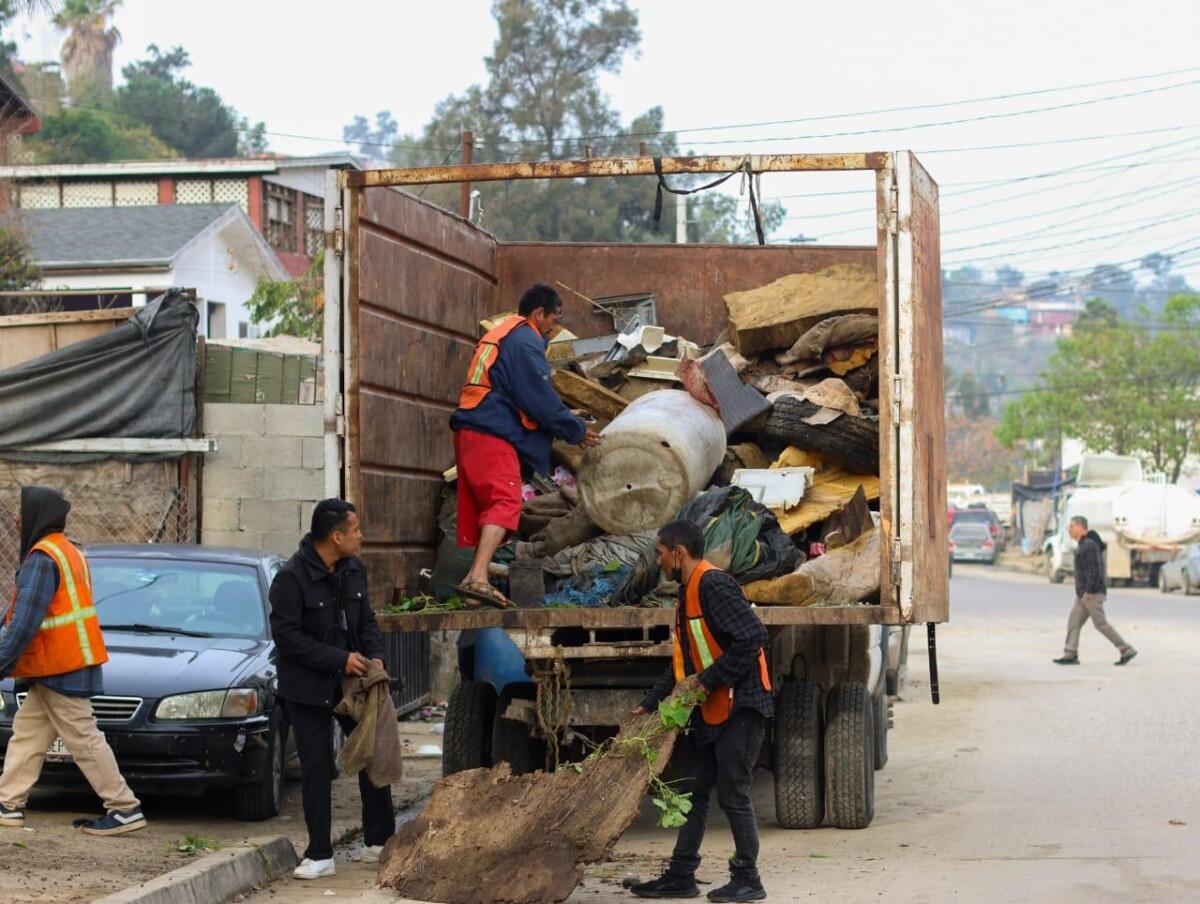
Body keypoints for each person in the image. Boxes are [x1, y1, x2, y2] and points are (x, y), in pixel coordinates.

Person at [629, 520, 773, 903]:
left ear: (678, 552)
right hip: (712, 707)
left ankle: (748, 879)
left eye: (660, 553)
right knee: (692, 792)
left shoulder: (713, 585)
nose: (659, 561)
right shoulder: (686, 593)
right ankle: (680, 876)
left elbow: (753, 637)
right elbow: (684, 661)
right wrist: (649, 703)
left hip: (740, 704)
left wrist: (709, 682)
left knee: (734, 793)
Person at [0, 486, 145, 835]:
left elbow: (23, 622)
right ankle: (9, 804)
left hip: (58, 666)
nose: (17, 519)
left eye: (21, 512)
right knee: (28, 733)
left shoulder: (41, 558)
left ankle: (124, 807)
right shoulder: (69, 552)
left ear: (38, 515)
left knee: (83, 738)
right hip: (61, 664)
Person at [449, 283, 601, 608]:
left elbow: (519, 395)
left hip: (474, 428)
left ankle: (473, 585)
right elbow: (538, 398)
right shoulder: (526, 339)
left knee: (490, 506)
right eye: (553, 320)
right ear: (538, 314)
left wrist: (564, 414)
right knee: (505, 500)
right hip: (490, 431)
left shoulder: (507, 334)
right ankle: (478, 577)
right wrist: (574, 429)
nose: (554, 328)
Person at [269, 499, 394, 880]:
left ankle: (381, 842)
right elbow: (288, 638)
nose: (361, 536)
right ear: (336, 536)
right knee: (317, 768)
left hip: (354, 686)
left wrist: (374, 657)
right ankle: (320, 853)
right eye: (355, 530)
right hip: (307, 688)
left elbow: (366, 620)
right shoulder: (291, 579)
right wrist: (338, 659)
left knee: (372, 758)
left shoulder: (353, 569)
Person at [1054, 515, 1137, 666]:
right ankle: (1070, 654)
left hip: (1091, 594)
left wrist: (1089, 591)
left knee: (1101, 624)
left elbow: (1096, 570)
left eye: (1071, 526)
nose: (1068, 529)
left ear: (1080, 527)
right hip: (1083, 594)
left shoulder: (1089, 545)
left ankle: (1126, 649)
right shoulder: (1084, 544)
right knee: (1074, 621)